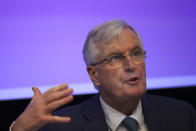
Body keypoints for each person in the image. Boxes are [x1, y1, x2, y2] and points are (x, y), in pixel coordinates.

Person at [11, 20, 196, 131]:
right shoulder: (63, 127)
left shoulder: (181, 115)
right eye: (116, 58)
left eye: (136, 54)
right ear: (94, 75)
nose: (131, 65)